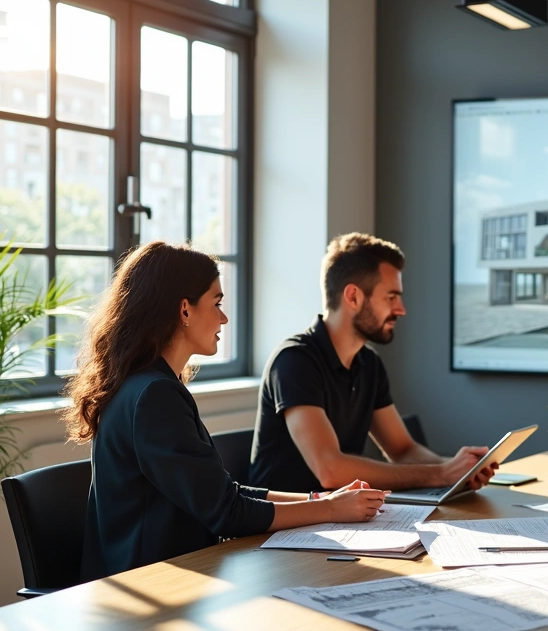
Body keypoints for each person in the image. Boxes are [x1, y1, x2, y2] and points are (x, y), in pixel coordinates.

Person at [64, 242, 388, 581]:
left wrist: (320, 498)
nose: (224, 317)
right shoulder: (154, 395)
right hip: (149, 587)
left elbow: (221, 493)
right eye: (216, 303)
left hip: (172, 575)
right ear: (184, 310)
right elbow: (226, 512)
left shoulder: (147, 385)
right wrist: (330, 509)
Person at [249, 233, 498, 494]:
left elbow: (403, 450)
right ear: (353, 297)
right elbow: (330, 470)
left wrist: (458, 471)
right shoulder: (294, 361)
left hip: (341, 519)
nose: (401, 309)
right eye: (391, 297)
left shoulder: (369, 363)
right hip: (282, 530)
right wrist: (440, 474)